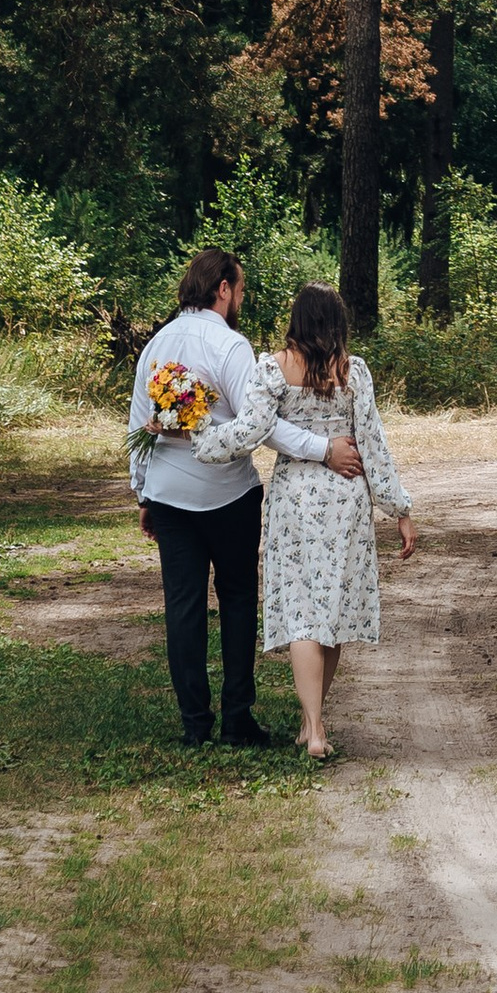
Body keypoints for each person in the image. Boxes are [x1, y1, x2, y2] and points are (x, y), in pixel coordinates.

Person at [127, 247, 363, 747]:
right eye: (239, 288)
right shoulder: (230, 347)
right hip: (227, 495)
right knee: (236, 600)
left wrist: (143, 491)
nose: (240, 298)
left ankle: (195, 723)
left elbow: (138, 422)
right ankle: (236, 717)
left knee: (183, 607)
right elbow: (262, 426)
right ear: (223, 289)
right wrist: (322, 448)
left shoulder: (157, 345)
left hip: (169, 494)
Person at [193, 279, 416, 761]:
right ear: (338, 322)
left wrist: (200, 435)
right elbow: (372, 445)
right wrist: (399, 510)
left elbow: (251, 431)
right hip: (345, 500)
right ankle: (312, 723)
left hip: (295, 499)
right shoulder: (354, 372)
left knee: (301, 612)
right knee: (332, 613)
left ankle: (312, 727)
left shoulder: (271, 369)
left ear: (296, 320)